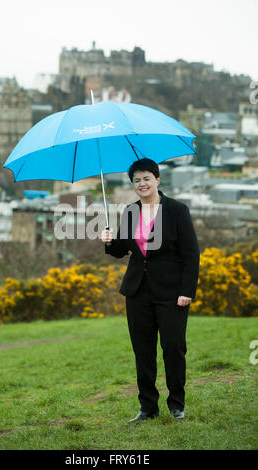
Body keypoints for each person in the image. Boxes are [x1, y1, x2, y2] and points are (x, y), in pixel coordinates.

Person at [101, 158, 200, 423]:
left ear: (157, 179)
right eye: (136, 180)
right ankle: (148, 407)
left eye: (146, 178)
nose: (141, 184)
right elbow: (122, 249)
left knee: (173, 348)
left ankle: (176, 404)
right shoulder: (131, 211)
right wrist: (110, 242)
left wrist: (187, 290)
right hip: (137, 292)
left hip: (172, 293)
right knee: (143, 351)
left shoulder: (177, 211)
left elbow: (192, 255)